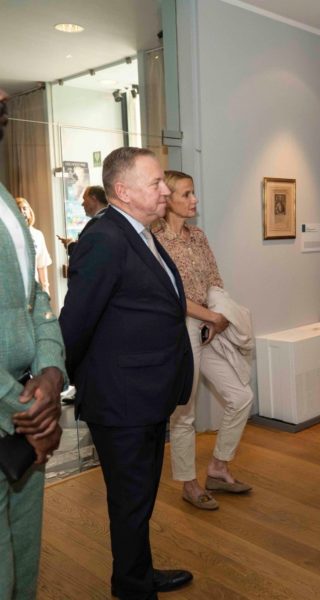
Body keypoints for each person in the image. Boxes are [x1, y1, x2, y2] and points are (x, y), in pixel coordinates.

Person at [59, 147, 195, 599]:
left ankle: (135, 574)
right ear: (123, 190)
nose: (164, 191)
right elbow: (75, 323)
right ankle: (133, 588)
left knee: (138, 498)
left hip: (145, 393)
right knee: (130, 499)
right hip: (121, 398)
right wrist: (68, 380)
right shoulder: (106, 237)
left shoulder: (138, 232)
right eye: (155, 183)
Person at [153, 170, 254, 511]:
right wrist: (211, 316)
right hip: (180, 329)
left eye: (193, 192)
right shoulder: (156, 241)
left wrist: (216, 318)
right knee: (184, 412)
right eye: (187, 194)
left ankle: (218, 468)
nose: (194, 199)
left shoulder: (198, 236)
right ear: (168, 199)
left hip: (208, 327)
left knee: (241, 396)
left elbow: (214, 279)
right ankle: (189, 483)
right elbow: (171, 296)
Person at [0, 86, 66, 600]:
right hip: (19, 414)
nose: (4, 93)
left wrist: (50, 371)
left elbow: (35, 297)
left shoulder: (5, 198)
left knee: (24, 556)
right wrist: (25, 411)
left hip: (27, 412)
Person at [15, 196, 52, 295]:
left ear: (29, 212)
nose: (22, 212)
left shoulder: (38, 235)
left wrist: (45, 288)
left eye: (24, 208)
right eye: (18, 209)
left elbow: (41, 264)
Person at [57, 185, 109, 255]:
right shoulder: (110, 218)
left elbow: (82, 252)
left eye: (84, 199)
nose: (82, 204)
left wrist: (69, 244)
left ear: (94, 199)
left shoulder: (97, 221)